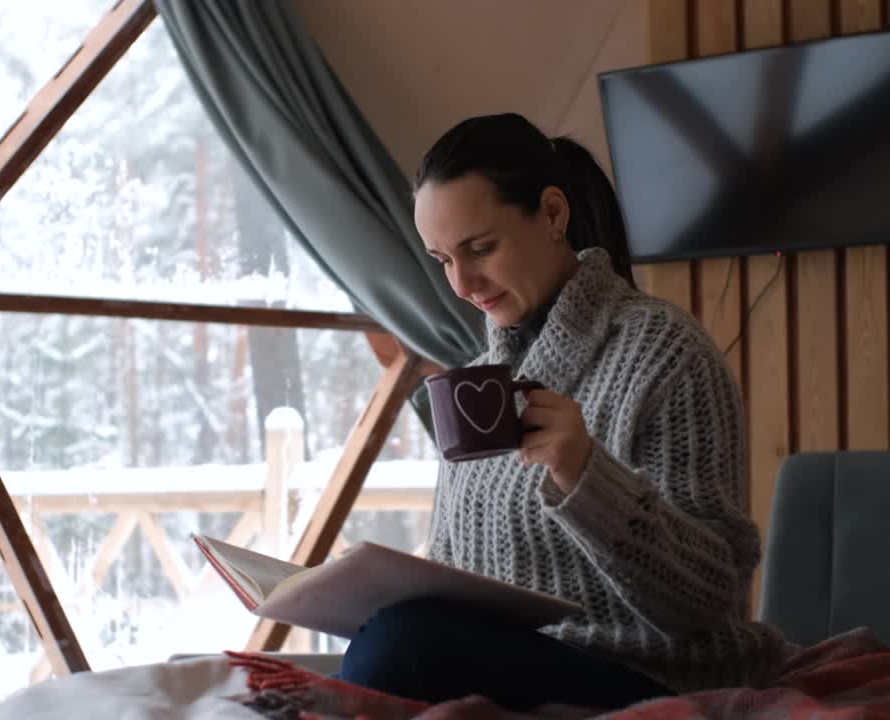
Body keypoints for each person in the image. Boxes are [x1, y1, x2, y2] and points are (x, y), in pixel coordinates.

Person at [337, 113, 788, 714]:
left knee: (400, 647)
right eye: (443, 259)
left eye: (480, 248)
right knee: (389, 640)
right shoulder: (474, 384)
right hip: (522, 664)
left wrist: (586, 475)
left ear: (553, 214)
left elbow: (707, 599)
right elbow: (453, 580)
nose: (463, 284)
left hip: (652, 675)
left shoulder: (667, 353)